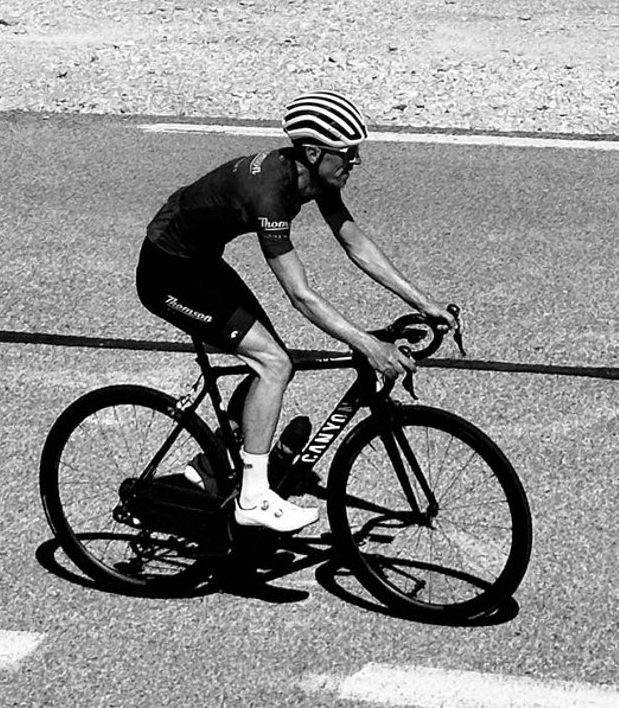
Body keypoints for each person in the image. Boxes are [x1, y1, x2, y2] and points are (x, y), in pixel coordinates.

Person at [135, 91, 450, 535]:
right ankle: (254, 497)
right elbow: (300, 295)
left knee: (270, 355)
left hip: (199, 262)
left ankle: (214, 464)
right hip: (168, 275)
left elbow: (355, 244)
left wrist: (423, 303)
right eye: (347, 153)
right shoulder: (270, 194)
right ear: (315, 152)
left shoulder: (315, 177)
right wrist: (366, 344)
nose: (354, 161)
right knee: (274, 363)